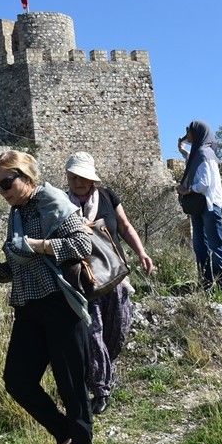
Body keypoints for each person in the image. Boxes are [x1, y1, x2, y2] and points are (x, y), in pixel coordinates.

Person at [0, 150, 95, 444]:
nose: (2, 191)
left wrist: (42, 245)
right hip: (28, 309)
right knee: (18, 381)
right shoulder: (15, 213)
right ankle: (66, 436)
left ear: (27, 177)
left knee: (73, 390)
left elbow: (84, 245)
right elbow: (19, 268)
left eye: (6, 182)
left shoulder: (52, 200)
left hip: (61, 307)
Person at [64, 151, 154, 416]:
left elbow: (125, 226)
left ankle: (100, 371)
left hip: (115, 278)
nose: (78, 181)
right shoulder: (60, 202)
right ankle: (101, 389)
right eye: (73, 176)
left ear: (92, 178)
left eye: (83, 176)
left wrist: (142, 253)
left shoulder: (107, 196)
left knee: (117, 332)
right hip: (84, 281)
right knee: (94, 334)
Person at [175, 121, 222, 297]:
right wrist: (182, 148)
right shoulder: (200, 153)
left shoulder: (203, 153)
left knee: (216, 246)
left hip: (208, 205)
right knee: (200, 246)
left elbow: (204, 184)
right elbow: (192, 163)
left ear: (197, 133)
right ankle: (208, 285)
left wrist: (186, 190)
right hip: (201, 206)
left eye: (189, 130)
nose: (187, 133)